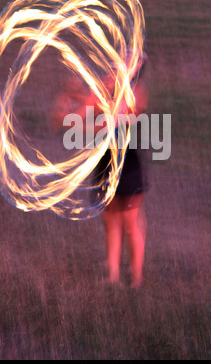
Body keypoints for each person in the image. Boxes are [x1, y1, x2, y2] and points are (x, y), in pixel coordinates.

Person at [50, 68, 148, 288]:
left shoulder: (134, 96)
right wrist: (69, 98)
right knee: (111, 222)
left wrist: (74, 123)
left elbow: (106, 125)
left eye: (115, 71)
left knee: (130, 224)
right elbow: (81, 112)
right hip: (104, 167)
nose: (108, 74)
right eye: (109, 70)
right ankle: (113, 276)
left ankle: (136, 278)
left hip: (127, 167)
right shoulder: (102, 97)